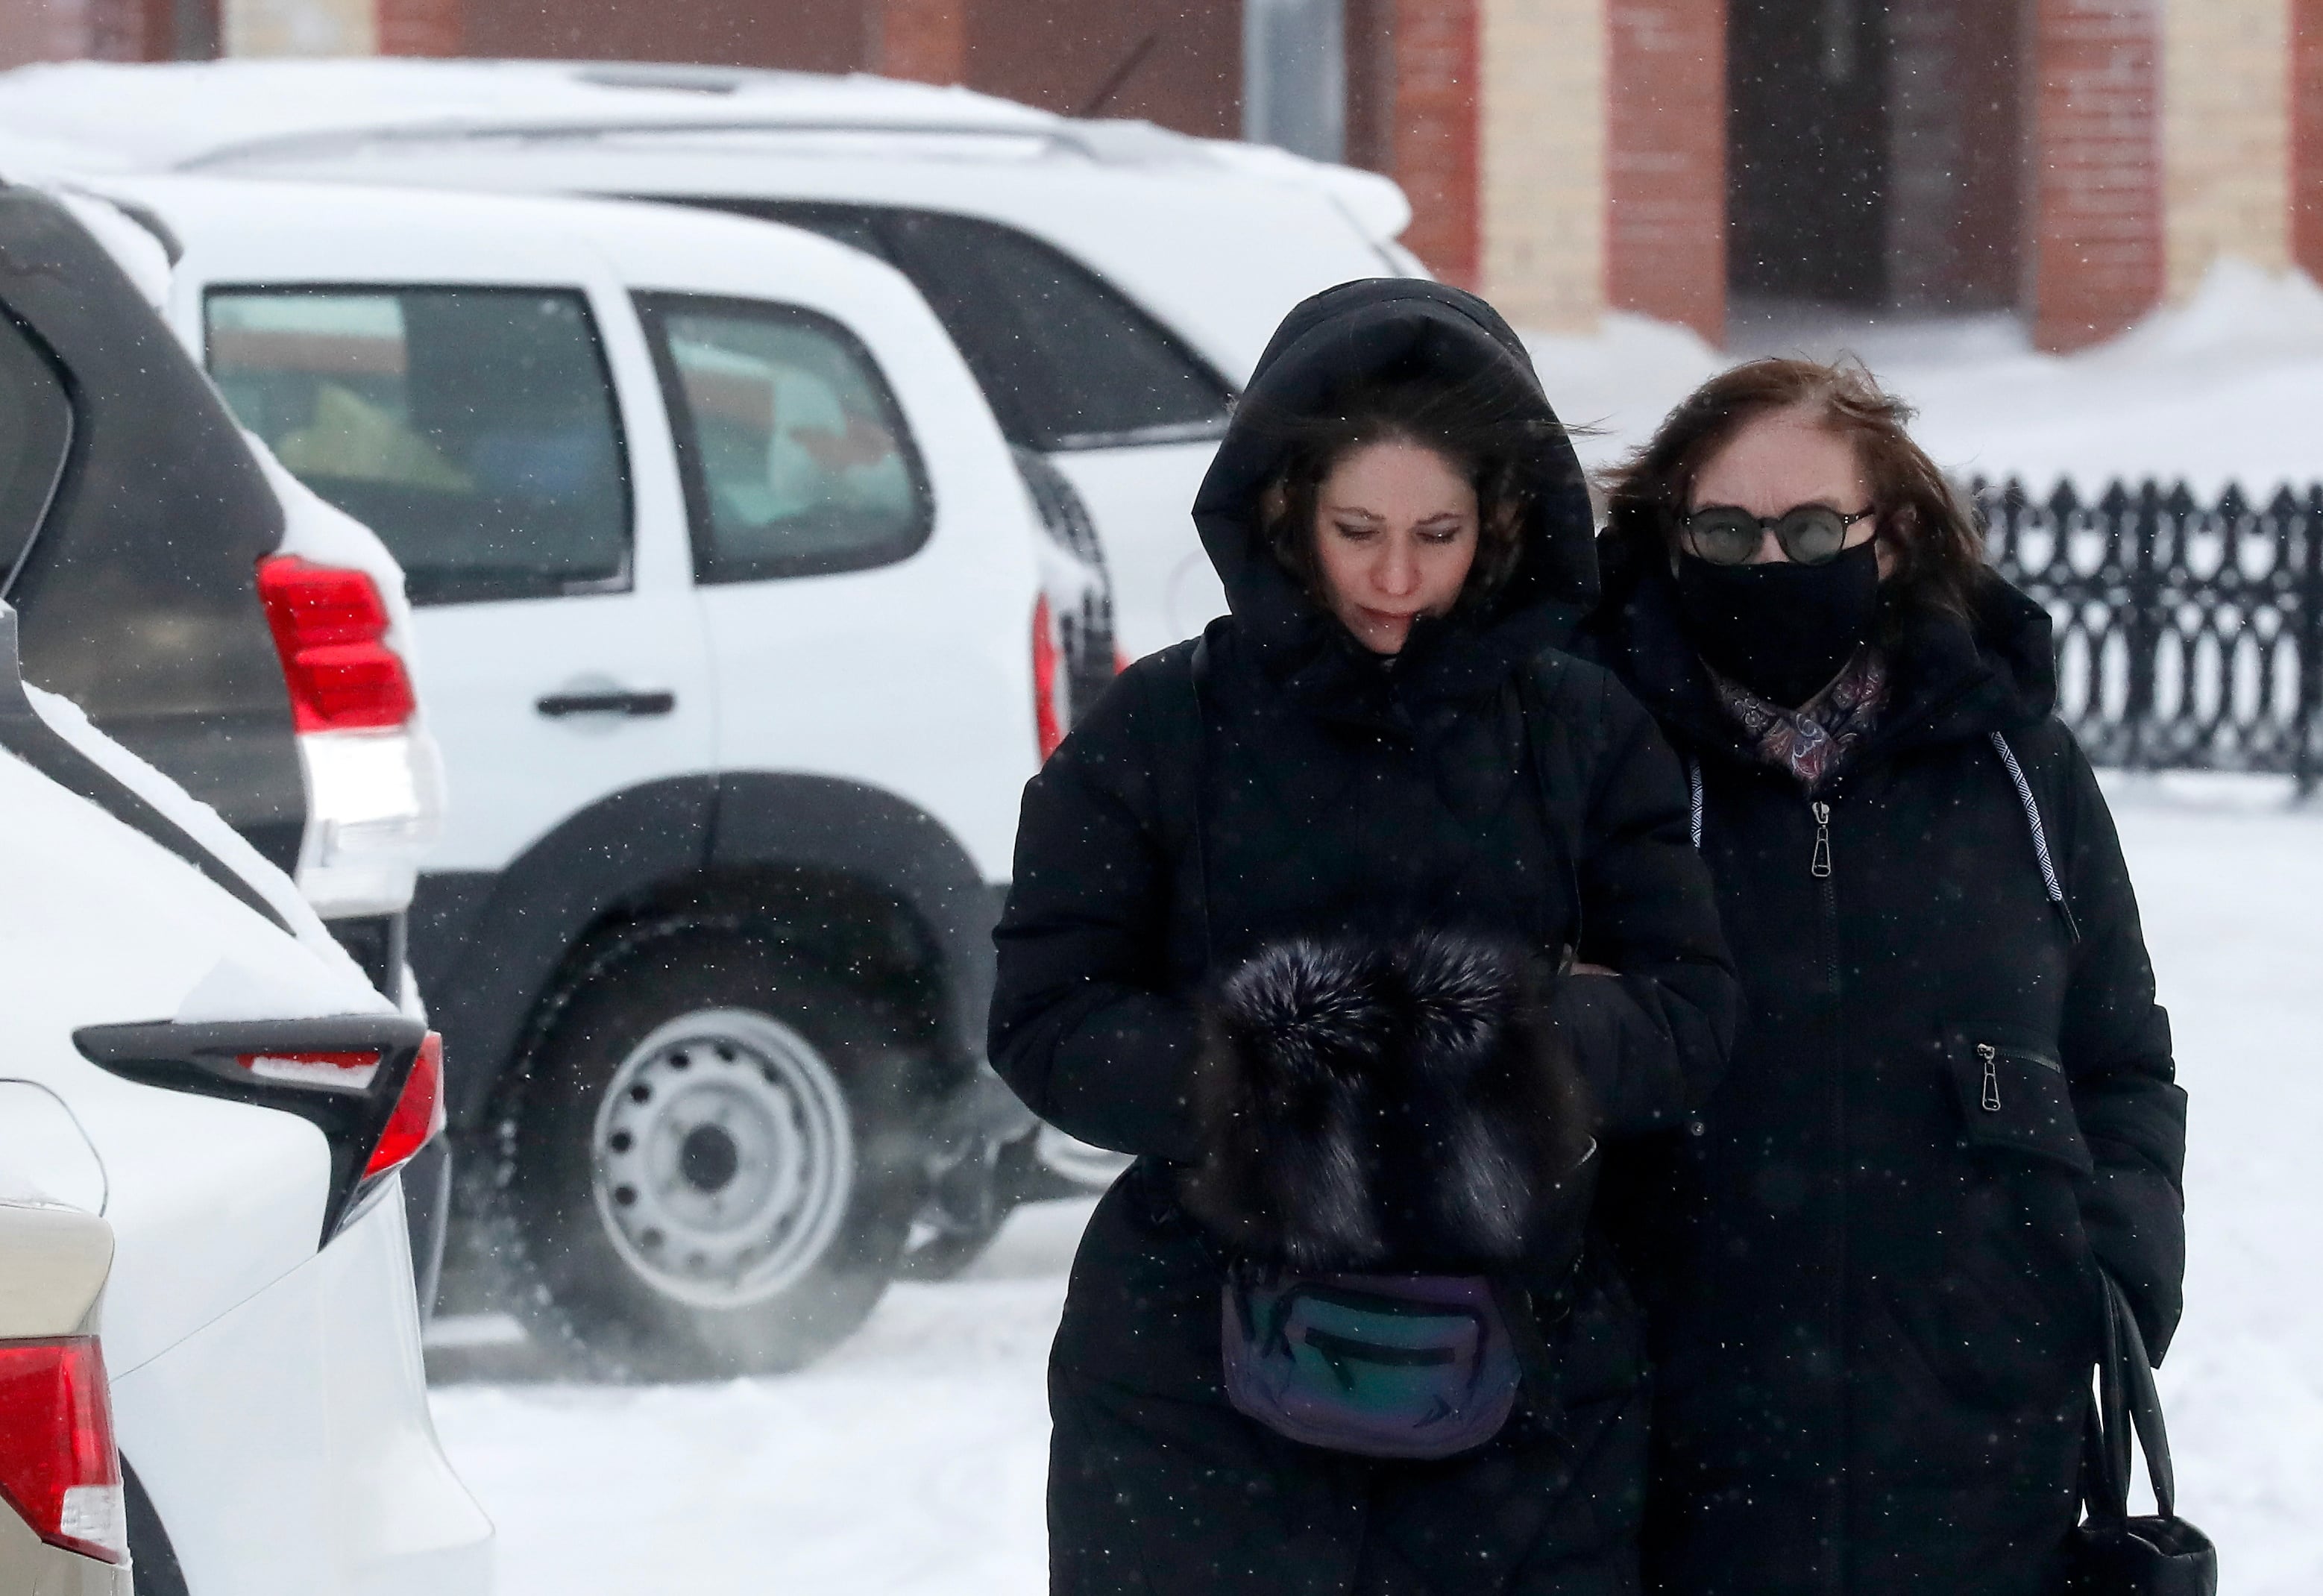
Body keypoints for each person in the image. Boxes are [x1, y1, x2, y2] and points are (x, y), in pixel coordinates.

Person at [987, 278, 1738, 1596]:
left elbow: (1691, 1014)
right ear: (1286, 509)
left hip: (1531, 1396)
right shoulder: (1160, 733)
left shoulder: (1586, 734)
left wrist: (1501, 1049)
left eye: (1438, 533)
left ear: (1504, 520)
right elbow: (1047, 1013)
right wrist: (1265, 1079)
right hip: (1189, 1392)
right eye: (1358, 530)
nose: (1397, 578)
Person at [1581, 358, 2188, 1595]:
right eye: (1724, 531)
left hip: (1981, 1440)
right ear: (1671, 534)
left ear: (1894, 536)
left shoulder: (2016, 767)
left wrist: (2104, 1269)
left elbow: (2119, 1053)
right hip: (1677, 1437)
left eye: (1810, 530)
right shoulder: (1601, 751)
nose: (1767, 566)